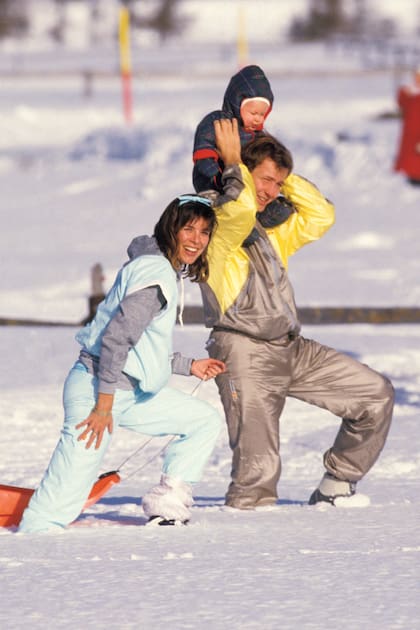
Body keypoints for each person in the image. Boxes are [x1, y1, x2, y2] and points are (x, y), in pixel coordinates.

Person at [199, 118, 394, 509]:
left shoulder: (272, 233)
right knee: (259, 472)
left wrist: (280, 179)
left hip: (291, 349)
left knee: (375, 396)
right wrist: (234, 161)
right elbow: (237, 210)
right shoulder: (217, 225)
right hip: (244, 354)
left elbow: (321, 215)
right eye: (264, 180)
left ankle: (337, 485)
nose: (270, 192)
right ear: (241, 175)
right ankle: (250, 555)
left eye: (278, 184)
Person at [18, 195, 226, 532]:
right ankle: (37, 545)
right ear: (170, 228)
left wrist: (189, 366)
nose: (196, 240)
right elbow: (116, 340)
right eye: (188, 229)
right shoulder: (155, 275)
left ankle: (168, 507)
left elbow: (142, 347)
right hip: (97, 388)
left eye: (204, 232)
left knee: (202, 421)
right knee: (59, 504)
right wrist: (103, 406)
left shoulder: (159, 268)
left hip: (130, 393)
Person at [192, 64, 294, 231]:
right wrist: (218, 176)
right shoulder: (217, 122)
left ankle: (258, 219)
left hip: (242, 187)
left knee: (245, 201)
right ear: (237, 103)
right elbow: (203, 153)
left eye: (262, 115)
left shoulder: (259, 136)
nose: (258, 119)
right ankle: (233, 224)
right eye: (254, 113)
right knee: (223, 204)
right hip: (213, 181)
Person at [394, 68, 420, 185]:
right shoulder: (411, 91)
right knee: (411, 156)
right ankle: (413, 177)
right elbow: (401, 103)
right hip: (410, 131)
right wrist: (403, 92)